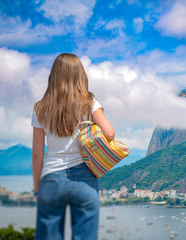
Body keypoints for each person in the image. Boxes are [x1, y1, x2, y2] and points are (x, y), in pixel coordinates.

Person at [31, 53, 114, 239]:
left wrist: (37, 189)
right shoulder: (89, 102)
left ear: (54, 75)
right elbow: (109, 133)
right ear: (80, 75)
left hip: (51, 179)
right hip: (84, 179)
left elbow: (37, 154)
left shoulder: (40, 107)